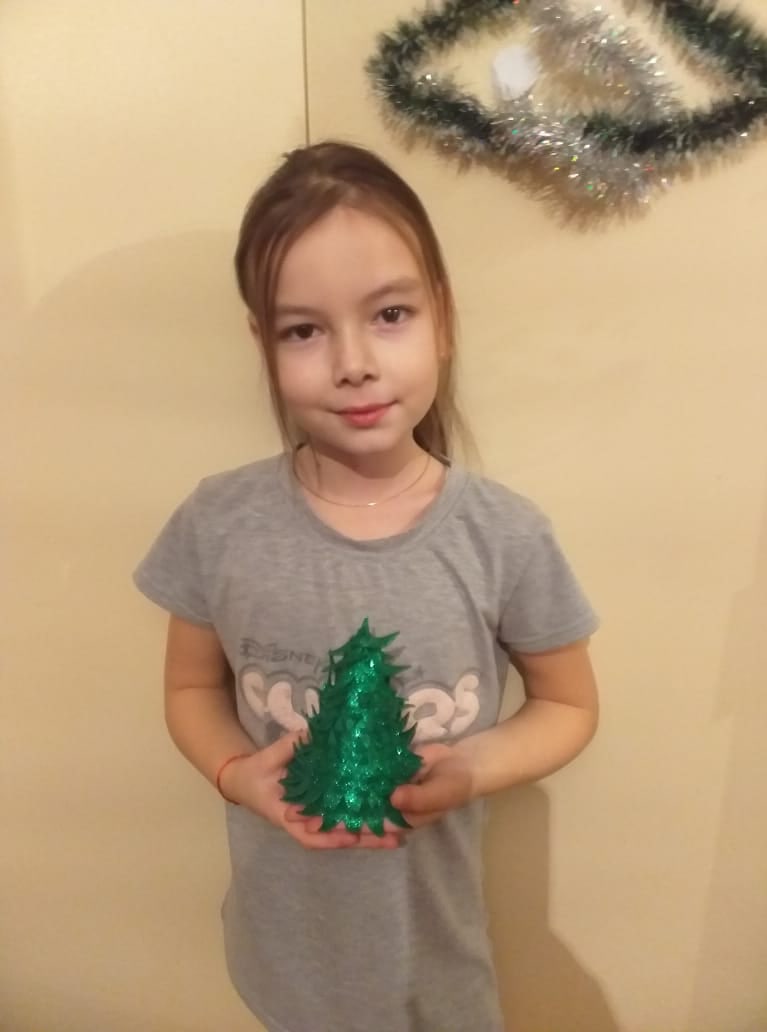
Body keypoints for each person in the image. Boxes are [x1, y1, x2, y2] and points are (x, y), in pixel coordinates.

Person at [133, 140, 600, 1032]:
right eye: (303, 330)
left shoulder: (504, 534)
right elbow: (190, 688)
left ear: (442, 319)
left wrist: (473, 768)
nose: (352, 362)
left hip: (435, 966)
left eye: (389, 314)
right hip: (280, 958)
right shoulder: (218, 522)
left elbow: (569, 705)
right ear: (262, 343)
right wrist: (235, 774)